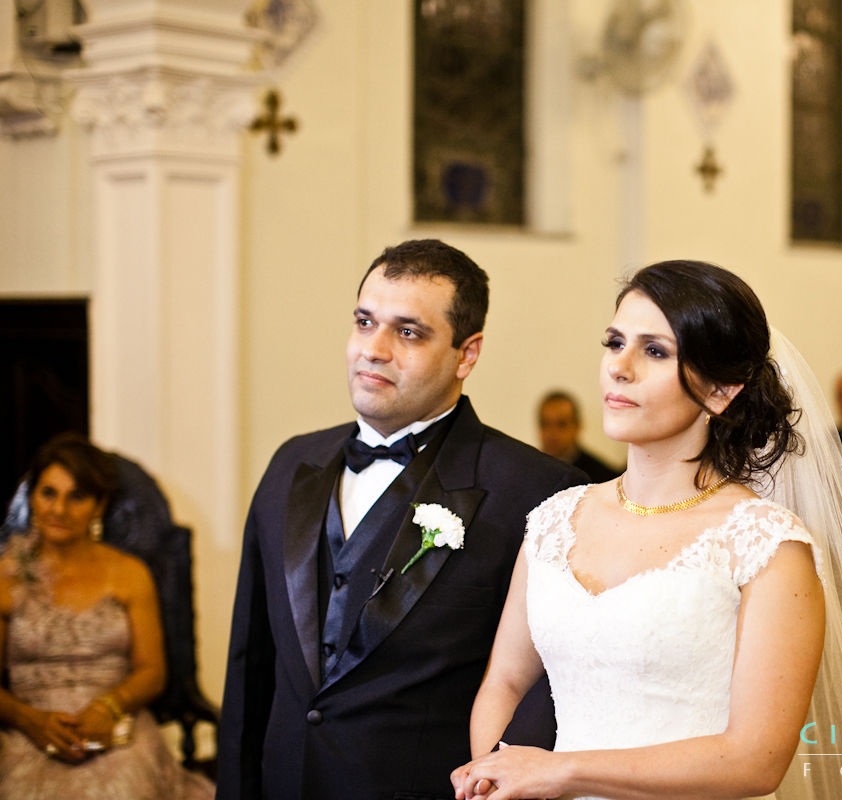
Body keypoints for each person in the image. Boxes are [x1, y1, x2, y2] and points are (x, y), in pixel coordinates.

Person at [451, 260, 842, 800]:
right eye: (615, 341)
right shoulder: (554, 520)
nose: (619, 367)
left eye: (655, 351)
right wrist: (492, 772)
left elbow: (756, 760)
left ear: (720, 392)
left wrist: (562, 770)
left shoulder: (766, 546)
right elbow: (504, 680)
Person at [216, 240, 586, 799]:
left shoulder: (537, 492)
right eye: (365, 323)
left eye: (408, 332)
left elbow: (552, 690)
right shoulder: (292, 464)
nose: (375, 349)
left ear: (467, 354)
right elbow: (251, 666)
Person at [0, 433, 213, 799]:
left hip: (117, 724)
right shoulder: (5, 576)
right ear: (32, 498)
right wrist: (32, 721)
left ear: (99, 505)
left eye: (77, 496)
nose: (59, 509)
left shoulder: (129, 573)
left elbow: (152, 672)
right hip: (30, 731)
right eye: (48, 493)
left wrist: (108, 707)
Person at [536, 390, 620, 482]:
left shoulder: (601, 477)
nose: (552, 433)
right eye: (545, 424)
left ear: (577, 426)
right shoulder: (530, 470)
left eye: (561, 424)